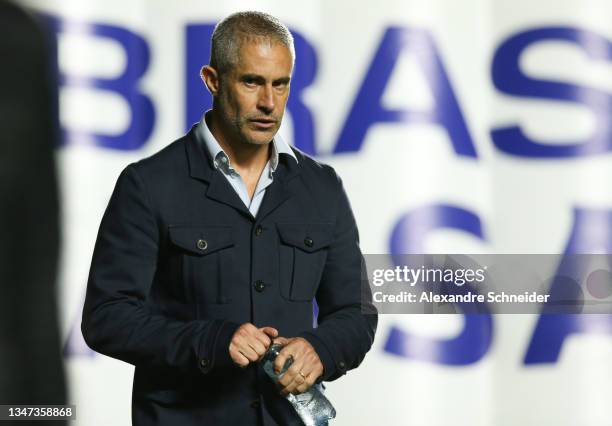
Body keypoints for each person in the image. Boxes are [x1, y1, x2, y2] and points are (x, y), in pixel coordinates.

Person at [82, 10, 377, 426]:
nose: (269, 103)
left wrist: (321, 350)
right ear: (212, 80)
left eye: (281, 84)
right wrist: (212, 340)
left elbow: (355, 311)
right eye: (252, 81)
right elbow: (106, 317)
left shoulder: (322, 187)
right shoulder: (147, 184)